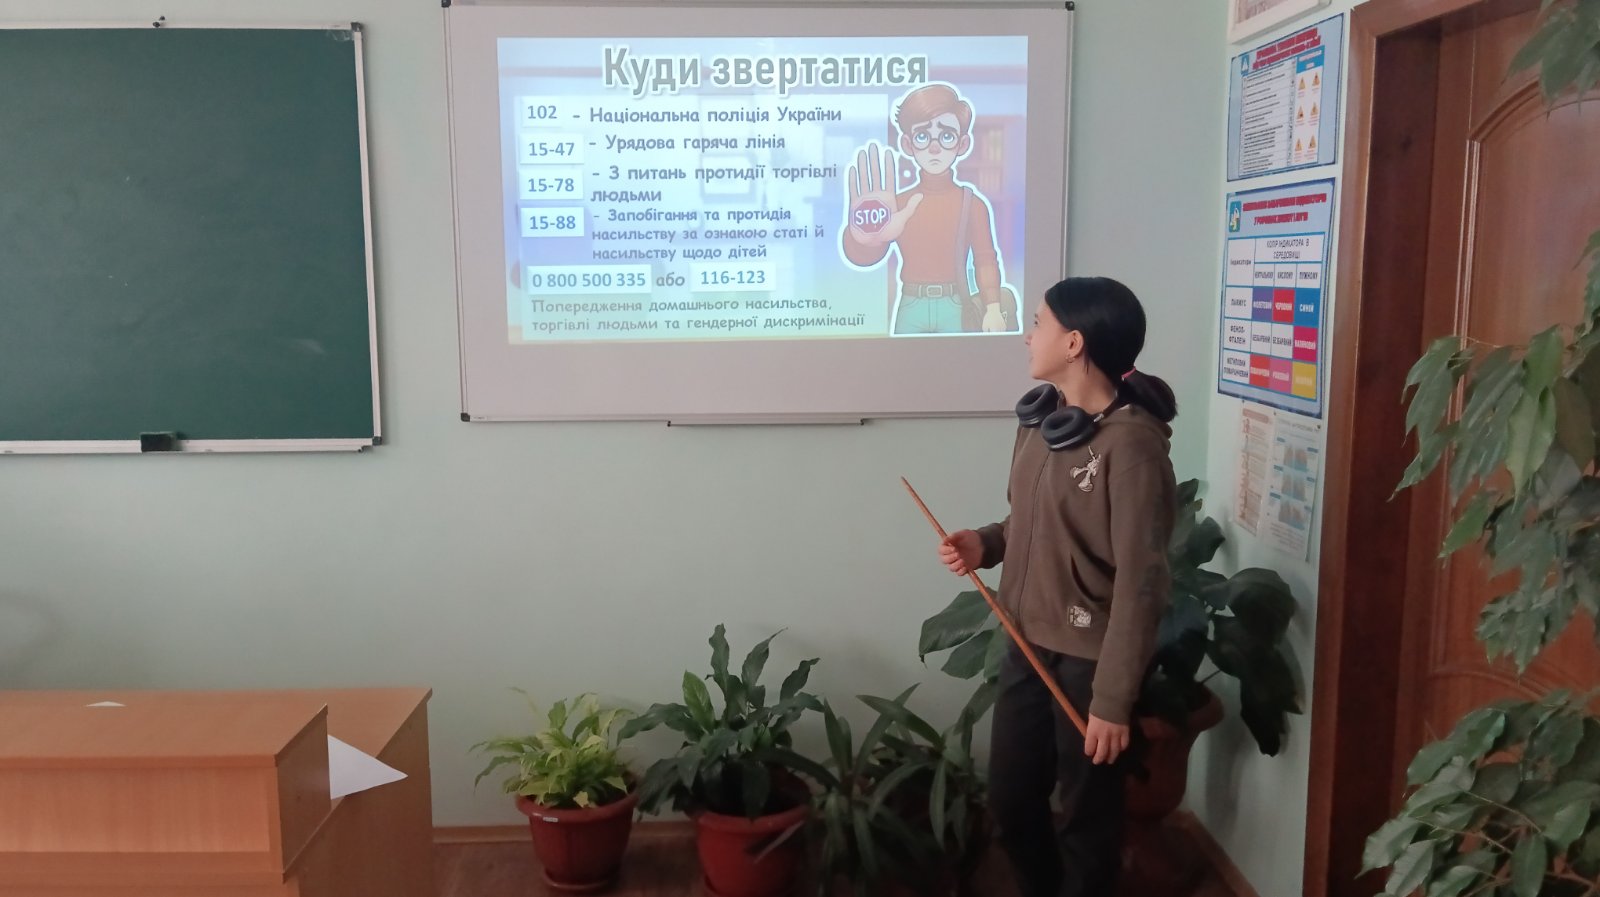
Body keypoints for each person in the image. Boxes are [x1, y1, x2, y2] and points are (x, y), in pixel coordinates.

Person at [938, 276, 1178, 897]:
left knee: (1087, 823)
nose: (1028, 335)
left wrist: (1113, 700)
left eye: (1039, 322)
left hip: (1089, 661)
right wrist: (986, 543)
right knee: (1011, 803)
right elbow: (1032, 519)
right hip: (1026, 641)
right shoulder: (1043, 423)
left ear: (1074, 343)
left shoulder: (1133, 449)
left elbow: (1143, 583)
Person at [840, 82, 1016, 335]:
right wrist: (866, 236)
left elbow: (985, 259)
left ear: (962, 144)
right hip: (911, 304)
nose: (934, 147)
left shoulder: (972, 204)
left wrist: (993, 308)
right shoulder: (898, 204)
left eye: (946, 136)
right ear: (908, 144)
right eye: (922, 136)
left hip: (955, 305)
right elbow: (867, 256)